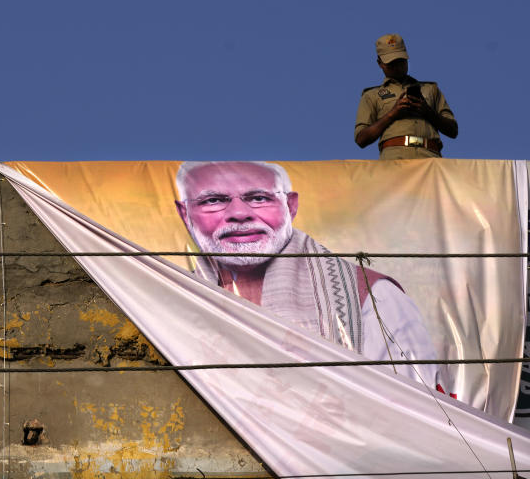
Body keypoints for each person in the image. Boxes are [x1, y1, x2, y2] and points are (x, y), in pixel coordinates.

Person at [174, 160, 449, 391]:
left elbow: (415, 420)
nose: (239, 214)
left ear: (291, 206)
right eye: (212, 201)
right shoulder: (170, 304)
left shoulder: (373, 298)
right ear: (185, 214)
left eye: (259, 198)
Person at [354, 34, 458, 160]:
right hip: (394, 159)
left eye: (400, 61)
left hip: (430, 158)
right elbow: (361, 139)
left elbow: (453, 130)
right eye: (391, 63)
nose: (397, 67)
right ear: (380, 63)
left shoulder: (430, 89)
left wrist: (427, 111)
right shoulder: (371, 96)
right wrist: (393, 113)